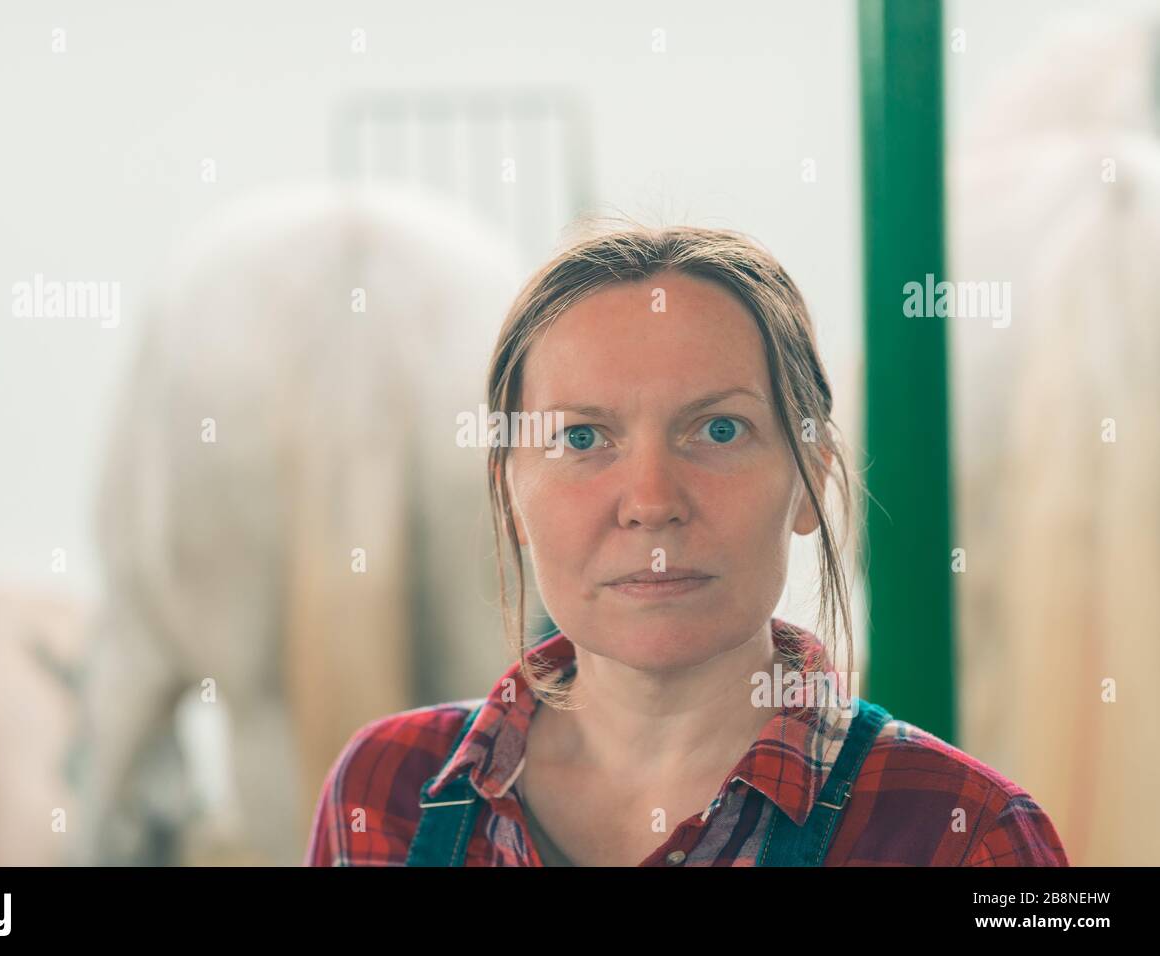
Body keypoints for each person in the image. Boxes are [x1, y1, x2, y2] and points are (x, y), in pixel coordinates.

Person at [304, 223, 1070, 866]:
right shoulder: (385, 791)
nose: (652, 502)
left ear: (809, 482)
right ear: (509, 493)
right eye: (581, 436)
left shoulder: (964, 835)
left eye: (719, 430)